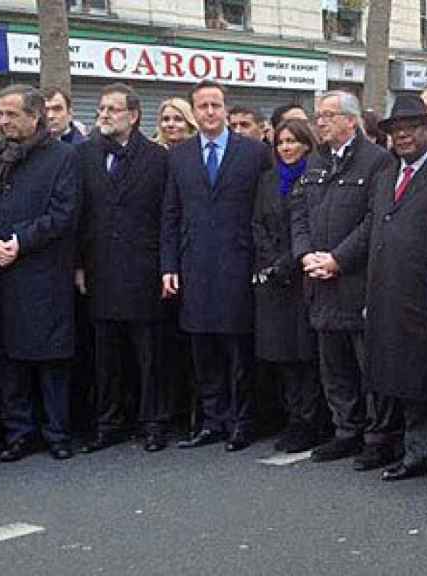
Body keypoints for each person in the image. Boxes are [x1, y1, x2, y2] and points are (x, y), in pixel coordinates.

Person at [347, 95, 427, 489]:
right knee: (403, 381)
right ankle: (414, 454)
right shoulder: (384, 178)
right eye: (396, 130)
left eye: (412, 127)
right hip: (388, 296)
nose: (403, 136)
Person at [289, 91, 398, 468]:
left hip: (355, 281)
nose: (319, 122)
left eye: (328, 116)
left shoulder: (378, 161)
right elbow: (299, 211)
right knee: (333, 365)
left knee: (367, 366)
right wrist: (305, 255)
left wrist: (338, 259)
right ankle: (345, 431)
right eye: (318, 116)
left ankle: (377, 437)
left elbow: (374, 221)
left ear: (351, 121)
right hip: (319, 279)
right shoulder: (316, 161)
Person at [161, 79, 268, 452]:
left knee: (237, 349)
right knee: (202, 349)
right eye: (203, 106)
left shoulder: (253, 152)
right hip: (195, 266)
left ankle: (242, 422)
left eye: (216, 105)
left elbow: (265, 210)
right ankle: (212, 421)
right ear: (195, 111)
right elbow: (171, 214)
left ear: (225, 109)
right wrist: (168, 265)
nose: (209, 112)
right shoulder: (179, 156)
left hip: (238, 263)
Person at [76, 83, 171, 454]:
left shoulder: (158, 158)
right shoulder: (83, 156)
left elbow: (167, 217)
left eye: (112, 109)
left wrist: (167, 267)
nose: (103, 114)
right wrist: (78, 265)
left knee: (149, 355)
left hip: (143, 270)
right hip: (99, 269)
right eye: (101, 108)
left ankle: (153, 422)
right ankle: (108, 422)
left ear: (133, 116)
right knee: (106, 355)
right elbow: (78, 216)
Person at [0, 85, 79, 462]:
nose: (3, 121)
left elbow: (63, 212)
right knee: (9, 357)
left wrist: (19, 242)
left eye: (11, 114)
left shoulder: (63, 157)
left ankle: (57, 432)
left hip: (43, 269)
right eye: (0, 114)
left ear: (35, 115)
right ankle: (19, 433)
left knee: (51, 357)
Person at [252, 118, 322, 454]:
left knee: (303, 356)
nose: (286, 148)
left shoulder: (314, 178)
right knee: (282, 356)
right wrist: (270, 262)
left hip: (301, 278)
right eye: (281, 143)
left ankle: (308, 422)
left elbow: (308, 229)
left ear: (307, 144)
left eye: (293, 141)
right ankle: (291, 416)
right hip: (274, 282)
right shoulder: (268, 180)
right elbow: (257, 224)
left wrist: (287, 263)